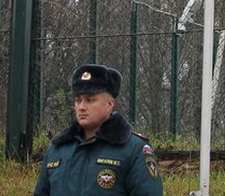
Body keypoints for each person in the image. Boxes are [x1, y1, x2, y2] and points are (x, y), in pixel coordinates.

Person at [34, 64, 163, 196]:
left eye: (90, 100)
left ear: (110, 104)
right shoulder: (58, 149)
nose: (82, 107)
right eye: (78, 100)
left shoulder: (133, 150)